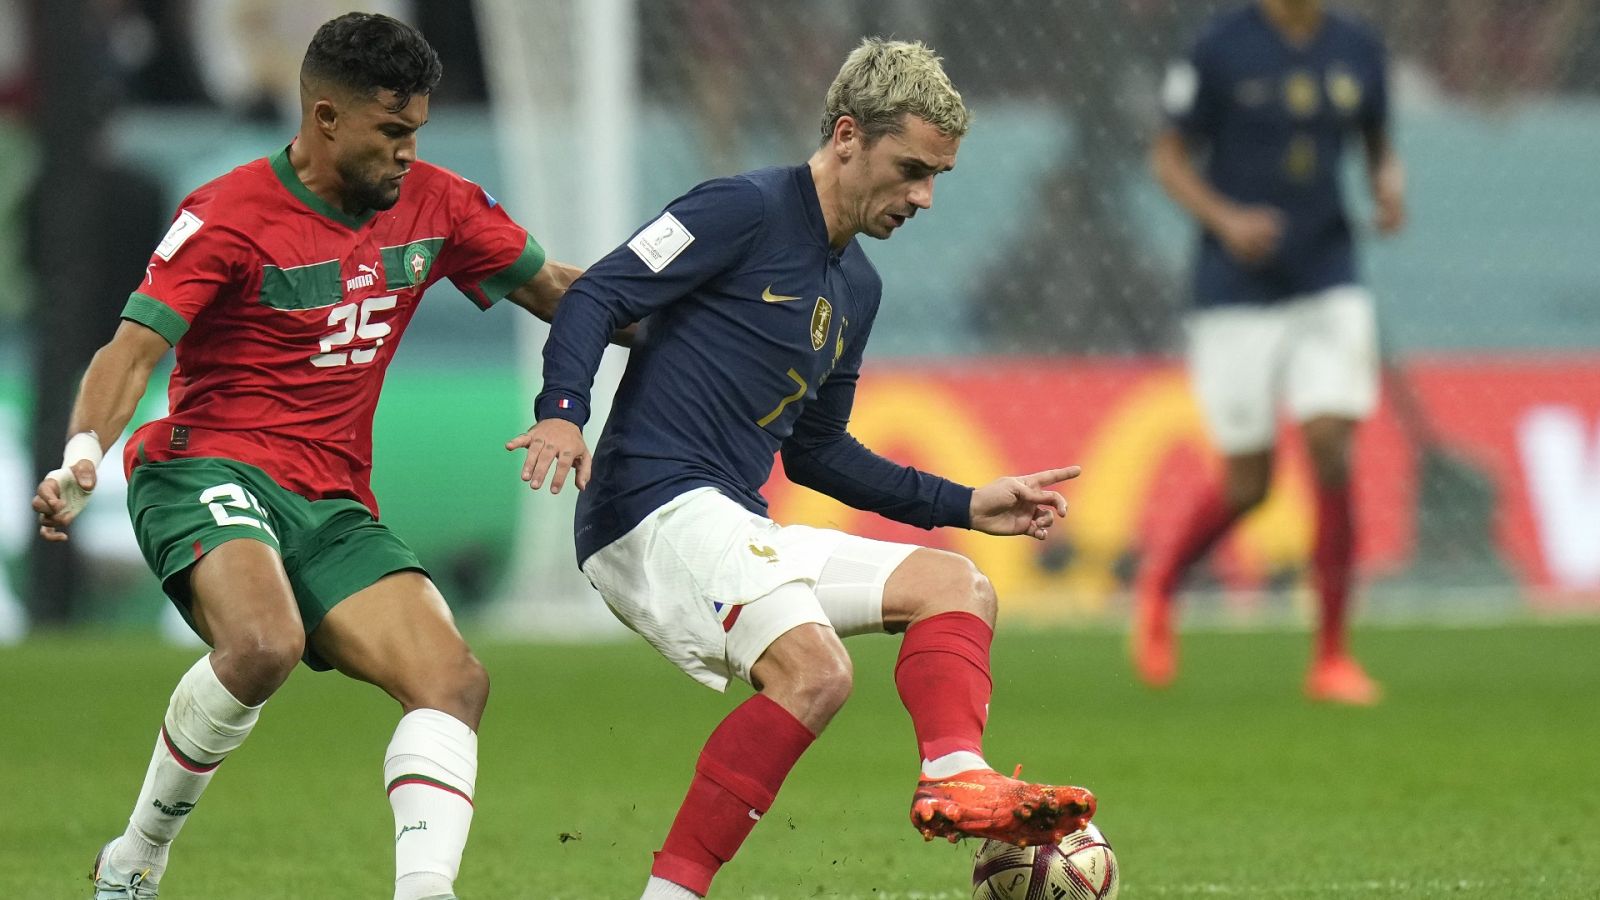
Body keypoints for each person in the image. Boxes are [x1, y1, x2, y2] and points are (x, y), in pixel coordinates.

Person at [510, 38, 1097, 900]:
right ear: (849, 134)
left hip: (727, 518)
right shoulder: (740, 208)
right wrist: (562, 413)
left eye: (937, 177)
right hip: (648, 506)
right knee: (816, 672)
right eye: (910, 169)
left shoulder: (856, 288)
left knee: (958, 588)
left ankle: (954, 775)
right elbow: (600, 292)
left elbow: (818, 451)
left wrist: (968, 502)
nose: (924, 197)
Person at [32, 13, 587, 900]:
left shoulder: (438, 204)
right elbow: (130, 349)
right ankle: (137, 857)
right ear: (326, 118)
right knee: (262, 644)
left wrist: (698, 304)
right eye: (392, 132)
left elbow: (561, 292)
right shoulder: (226, 214)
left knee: (453, 680)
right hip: (203, 469)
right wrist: (82, 455)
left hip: (332, 504)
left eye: (418, 133)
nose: (409, 153)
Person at [1133, 0, 1406, 704]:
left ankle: (1333, 654)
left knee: (1330, 443)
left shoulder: (1357, 46)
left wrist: (1386, 182)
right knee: (1250, 481)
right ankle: (1161, 586)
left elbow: (1376, 137)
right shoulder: (1219, 46)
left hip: (1328, 271)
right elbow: (1167, 156)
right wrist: (1225, 219)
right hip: (1235, 284)